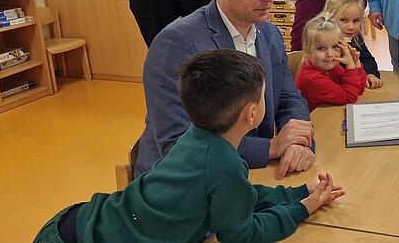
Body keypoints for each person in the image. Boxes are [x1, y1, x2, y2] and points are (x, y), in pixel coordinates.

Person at [34, 49, 344, 243]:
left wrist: (300, 193)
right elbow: (241, 234)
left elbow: (239, 196)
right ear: (251, 114)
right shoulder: (223, 164)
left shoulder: (198, 136)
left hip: (78, 222)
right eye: (263, 95)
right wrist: (302, 209)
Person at [136, 0, 314, 181]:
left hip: (246, 172)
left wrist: (297, 140)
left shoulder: (268, 33)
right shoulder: (175, 44)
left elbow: (287, 96)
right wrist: (271, 148)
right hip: (181, 183)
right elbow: (177, 143)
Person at [295, 14, 367, 111]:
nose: (330, 54)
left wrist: (355, 62)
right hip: (316, 122)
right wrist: (350, 65)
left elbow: (358, 90)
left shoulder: (330, 66)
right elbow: (350, 97)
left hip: (330, 114)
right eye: (321, 48)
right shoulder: (311, 79)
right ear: (308, 51)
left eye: (335, 47)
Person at [323, 0, 382, 89]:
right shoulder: (322, 44)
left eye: (356, 21)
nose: (351, 27)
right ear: (329, 19)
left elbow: (367, 59)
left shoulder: (355, 38)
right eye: (344, 20)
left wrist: (370, 74)